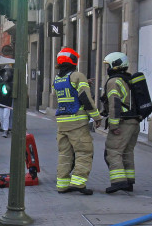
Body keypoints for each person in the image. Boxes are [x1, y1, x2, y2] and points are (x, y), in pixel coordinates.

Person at [52, 47, 102, 195]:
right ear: (73, 61)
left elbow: (68, 91)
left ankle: (62, 185)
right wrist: (96, 117)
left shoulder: (57, 79)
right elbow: (86, 98)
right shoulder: (78, 76)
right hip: (77, 122)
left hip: (62, 123)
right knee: (84, 152)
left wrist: (84, 82)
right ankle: (78, 183)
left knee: (65, 154)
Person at [102, 51, 140, 193]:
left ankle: (118, 182)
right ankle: (129, 182)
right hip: (134, 122)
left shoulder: (114, 81)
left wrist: (114, 125)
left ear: (115, 64)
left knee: (113, 151)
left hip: (123, 123)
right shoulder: (128, 79)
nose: (107, 68)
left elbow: (114, 104)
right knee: (127, 152)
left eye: (108, 65)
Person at [0, 67, 13, 137]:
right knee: (1, 117)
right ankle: (4, 128)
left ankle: (5, 131)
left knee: (6, 116)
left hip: (7, 103)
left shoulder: (11, 83)